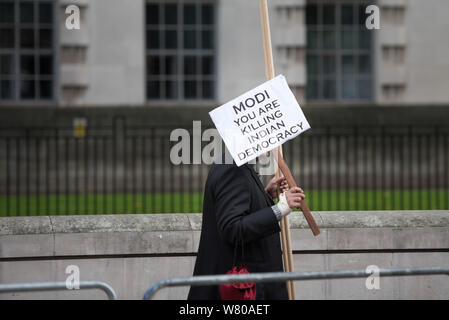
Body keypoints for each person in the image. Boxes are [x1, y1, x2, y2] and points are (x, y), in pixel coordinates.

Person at [187, 153, 306, 300]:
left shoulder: (237, 165)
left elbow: (242, 207)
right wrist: (280, 209)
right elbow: (232, 228)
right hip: (243, 290)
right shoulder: (232, 169)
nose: (268, 152)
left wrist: (265, 195)